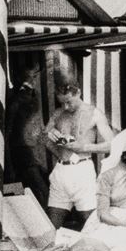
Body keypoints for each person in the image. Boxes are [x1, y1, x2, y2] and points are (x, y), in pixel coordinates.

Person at [44, 80, 113, 229]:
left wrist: (83, 147)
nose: (65, 107)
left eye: (69, 102)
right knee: (52, 225)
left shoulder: (94, 113)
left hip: (82, 171)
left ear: (78, 93)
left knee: (91, 222)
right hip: (61, 172)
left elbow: (112, 144)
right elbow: (45, 139)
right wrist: (52, 136)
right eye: (62, 103)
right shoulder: (58, 113)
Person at [7, 62, 50, 211]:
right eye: (33, 76)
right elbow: (9, 130)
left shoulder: (33, 96)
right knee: (40, 189)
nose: (35, 79)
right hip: (23, 151)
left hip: (33, 150)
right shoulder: (17, 99)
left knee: (35, 189)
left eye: (35, 76)